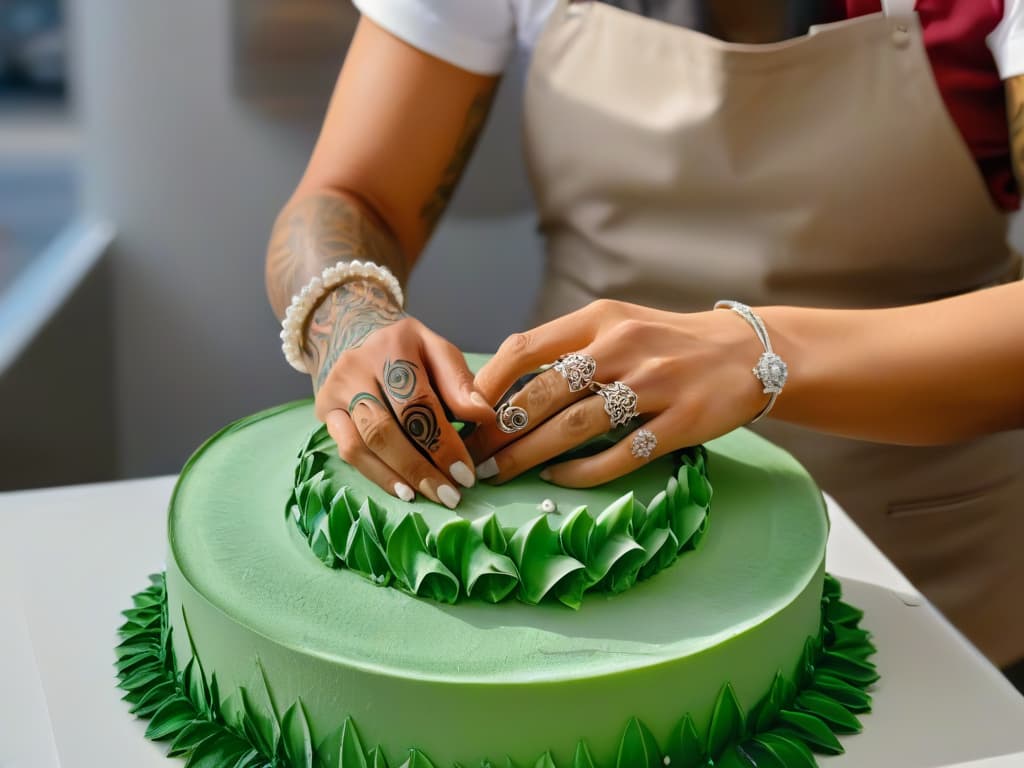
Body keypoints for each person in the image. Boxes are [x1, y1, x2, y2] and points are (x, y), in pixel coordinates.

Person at [265, 3, 1024, 684]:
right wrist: (348, 313)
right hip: (560, 551)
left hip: (914, 561)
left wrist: (757, 349)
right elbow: (352, 196)